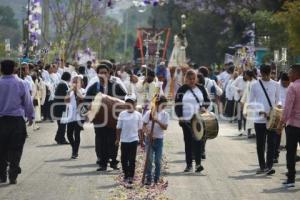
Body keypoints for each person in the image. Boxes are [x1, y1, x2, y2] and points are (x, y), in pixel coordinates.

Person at [86, 61, 127, 171]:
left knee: (113, 140)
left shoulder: (116, 85)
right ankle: (102, 163)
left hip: (113, 119)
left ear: (109, 73)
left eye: (105, 72)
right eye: (100, 73)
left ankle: (113, 161)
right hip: (99, 119)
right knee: (100, 140)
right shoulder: (94, 87)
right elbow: (86, 100)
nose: (103, 75)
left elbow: (124, 99)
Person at [0, 60, 35, 184]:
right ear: (15, 69)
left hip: (1, 121)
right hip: (16, 122)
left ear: (1, 69)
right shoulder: (21, 83)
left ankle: (2, 174)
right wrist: (31, 116)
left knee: (1, 149)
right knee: (16, 149)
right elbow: (27, 102)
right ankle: (13, 174)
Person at [175, 69, 210, 172]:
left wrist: (204, 107)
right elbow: (177, 104)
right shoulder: (182, 89)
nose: (191, 80)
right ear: (186, 79)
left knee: (199, 141)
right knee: (188, 142)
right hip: (186, 120)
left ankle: (198, 164)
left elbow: (207, 100)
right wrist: (180, 116)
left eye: (193, 78)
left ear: (196, 78)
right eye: (189, 78)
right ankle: (189, 165)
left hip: (199, 120)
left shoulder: (201, 88)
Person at [248, 64, 280, 175]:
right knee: (260, 144)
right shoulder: (255, 85)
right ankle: (262, 166)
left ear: (271, 72)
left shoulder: (276, 84)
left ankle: (269, 166)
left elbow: (278, 101)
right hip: (259, 119)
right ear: (260, 73)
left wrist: (277, 109)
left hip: (272, 119)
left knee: (271, 144)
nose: (266, 76)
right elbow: (251, 102)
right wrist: (260, 111)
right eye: (264, 74)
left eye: (268, 74)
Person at [278, 64, 300, 188]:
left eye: (291, 72)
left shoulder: (293, 87)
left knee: (291, 153)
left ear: (297, 74)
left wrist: (281, 123)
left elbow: (288, 108)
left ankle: (291, 179)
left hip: (293, 125)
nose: (289, 75)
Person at [115, 95, 143, 185]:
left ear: (135, 104)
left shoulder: (138, 115)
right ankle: (126, 174)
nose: (129, 104)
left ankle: (131, 176)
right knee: (123, 159)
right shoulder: (122, 114)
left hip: (134, 140)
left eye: (131, 102)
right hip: (124, 140)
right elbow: (118, 128)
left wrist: (141, 140)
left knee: (131, 159)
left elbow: (140, 129)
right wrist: (117, 139)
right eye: (128, 102)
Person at [143, 95, 169, 185]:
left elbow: (165, 127)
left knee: (157, 160)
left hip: (159, 140)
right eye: (163, 105)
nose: (164, 107)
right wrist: (148, 134)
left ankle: (156, 178)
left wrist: (157, 121)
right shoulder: (149, 113)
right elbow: (143, 125)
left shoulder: (165, 114)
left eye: (165, 105)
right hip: (149, 140)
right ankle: (148, 178)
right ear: (158, 104)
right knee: (149, 159)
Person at [65, 75, 85, 159]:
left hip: (79, 116)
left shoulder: (83, 91)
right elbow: (66, 101)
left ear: (81, 83)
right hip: (70, 115)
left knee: (77, 134)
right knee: (69, 134)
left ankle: (75, 152)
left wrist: (76, 90)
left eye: (77, 82)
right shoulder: (70, 91)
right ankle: (74, 147)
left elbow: (82, 98)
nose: (75, 84)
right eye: (74, 82)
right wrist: (69, 92)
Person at [274, 72, 290, 163]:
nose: (286, 85)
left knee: (290, 135)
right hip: (279, 112)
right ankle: (275, 156)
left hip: (289, 114)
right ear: (281, 81)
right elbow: (277, 97)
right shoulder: (276, 85)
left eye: (287, 83)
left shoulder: (291, 85)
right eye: (284, 83)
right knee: (277, 135)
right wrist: (279, 104)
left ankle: (291, 155)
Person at [53, 72, 71, 144]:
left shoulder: (62, 84)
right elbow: (65, 96)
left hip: (59, 107)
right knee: (62, 124)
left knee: (61, 124)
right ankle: (61, 139)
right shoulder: (63, 85)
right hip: (61, 107)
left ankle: (58, 138)